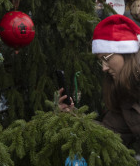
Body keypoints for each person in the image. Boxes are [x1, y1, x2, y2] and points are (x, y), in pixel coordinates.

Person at [59, 14, 140, 147]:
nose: (104, 68)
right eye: (100, 61)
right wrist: (72, 116)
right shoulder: (125, 95)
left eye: (106, 58)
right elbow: (109, 135)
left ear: (127, 52)